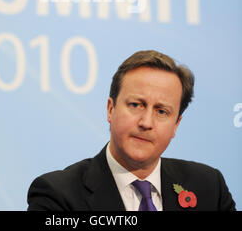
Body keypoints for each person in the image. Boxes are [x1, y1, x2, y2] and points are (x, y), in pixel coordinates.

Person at [27, 50, 236, 211]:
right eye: (136, 105)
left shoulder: (208, 187)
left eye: (162, 111)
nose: (146, 122)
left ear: (176, 125)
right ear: (111, 109)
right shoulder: (58, 195)